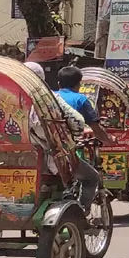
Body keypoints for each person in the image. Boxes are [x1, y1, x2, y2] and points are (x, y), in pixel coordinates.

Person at [27, 61, 104, 210]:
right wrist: (72, 138)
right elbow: (77, 121)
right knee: (91, 177)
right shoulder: (49, 98)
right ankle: (82, 211)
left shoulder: (6, 99)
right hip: (49, 157)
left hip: (18, 156)